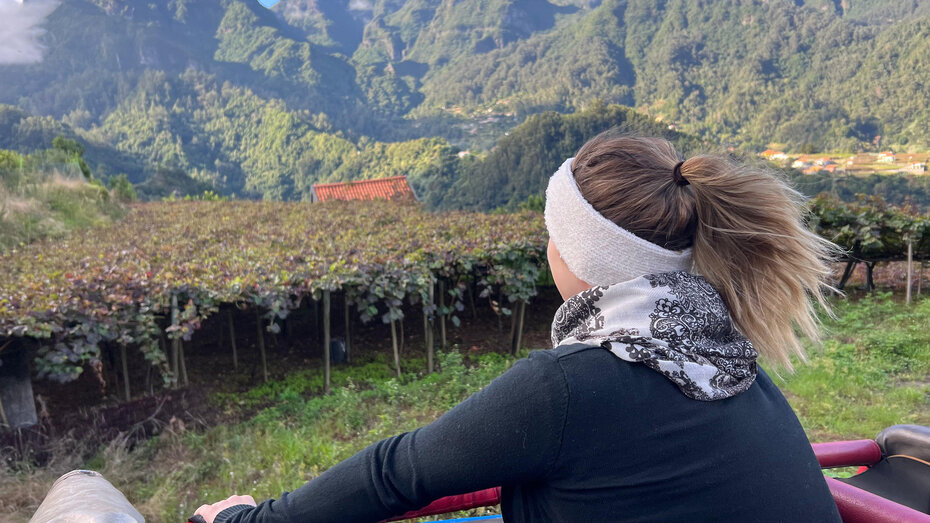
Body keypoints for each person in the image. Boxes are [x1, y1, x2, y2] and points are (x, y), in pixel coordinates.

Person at [195, 132, 843, 522]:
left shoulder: (572, 385)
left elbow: (398, 471)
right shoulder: (720, 346)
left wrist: (247, 518)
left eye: (552, 233)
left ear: (579, 255)